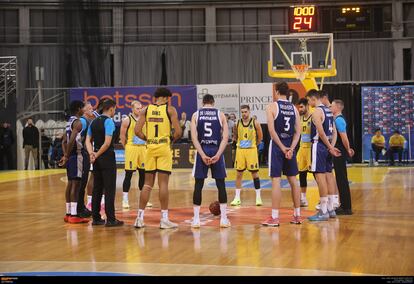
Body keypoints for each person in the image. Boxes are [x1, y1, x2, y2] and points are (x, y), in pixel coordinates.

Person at [134, 87, 182, 229]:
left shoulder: (145, 110)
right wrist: (171, 140)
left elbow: (137, 131)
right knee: (163, 184)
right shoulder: (170, 110)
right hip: (163, 147)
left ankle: (139, 218)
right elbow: (178, 132)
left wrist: (147, 139)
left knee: (147, 184)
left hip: (150, 148)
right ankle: (164, 219)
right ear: (166, 98)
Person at [262, 82, 302, 227]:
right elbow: (298, 132)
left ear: (277, 91)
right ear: (288, 93)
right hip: (290, 146)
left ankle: (274, 217)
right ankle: (297, 215)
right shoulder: (294, 108)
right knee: (293, 180)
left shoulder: (272, 106)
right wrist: (291, 148)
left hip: (278, 146)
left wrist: (283, 148)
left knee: (276, 181)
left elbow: (272, 132)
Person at [190, 94, 230, 228]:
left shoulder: (196, 115)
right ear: (213, 102)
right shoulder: (221, 114)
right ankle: (223, 219)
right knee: (221, 184)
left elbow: (194, 138)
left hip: (202, 149)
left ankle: (196, 220)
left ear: (203, 102)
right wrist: (218, 154)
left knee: (198, 185)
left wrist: (201, 154)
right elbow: (225, 138)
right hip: (216, 149)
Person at [86, 98, 124, 227]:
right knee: (109, 189)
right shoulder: (109, 122)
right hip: (106, 157)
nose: (115, 111)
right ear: (111, 108)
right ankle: (111, 219)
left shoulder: (94, 121)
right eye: (115, 109)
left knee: (97, 187)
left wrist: (92, 153)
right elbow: (107, 143)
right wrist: (97, 154)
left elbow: (87, 140)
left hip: (96, 158)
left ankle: (96, 218)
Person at [307, 91, 341, 222]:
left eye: (309, 100)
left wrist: (330, 147)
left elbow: (320, 133)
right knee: (329, 176)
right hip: (327, 146)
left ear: (313, 99)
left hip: (319, 146)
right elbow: (335, 132)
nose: (309, 103)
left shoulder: (316, 111)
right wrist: (331, 146)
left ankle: (323, 211)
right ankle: (331, 208)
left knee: (320, 178)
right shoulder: (328, 110)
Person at [59, 100, 89, 224]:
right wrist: (66, 155)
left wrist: (65, 154)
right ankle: (74, 215)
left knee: (70, 184)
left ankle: (68, 213)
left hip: (71, 156)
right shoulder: (77, 122)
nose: (84, 109)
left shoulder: (69, 122)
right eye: (83, 107)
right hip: (76, 155)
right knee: (76, 185)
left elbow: (63, 141)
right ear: (78, 109)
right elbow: (71, 140)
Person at [230, 105, 263, 206]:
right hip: (240, 151)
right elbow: (235, 135)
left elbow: (260, 136)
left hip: (251, 151)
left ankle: (258, 198)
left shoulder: (255, 122)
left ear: (249, 112)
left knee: (255, 174)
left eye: (245, 112)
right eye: (242, 112)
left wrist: (254, 145)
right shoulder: (237, 123)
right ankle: (237, 198)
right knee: (239, 174)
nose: (244, 114)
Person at [120, 100, 151, 209]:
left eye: (140, 108)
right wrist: (127, 147)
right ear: (132, 109)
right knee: (128, 174)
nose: (139, 110)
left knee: (143, 174)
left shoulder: (145, 120)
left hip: (143, 148)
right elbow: (122, 136)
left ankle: (144, 200)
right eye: (137, 108)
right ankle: (125, 199)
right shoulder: (127, 120)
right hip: (131, 148)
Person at [331, 99, 355, 215]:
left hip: (340, 152)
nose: (330, 108)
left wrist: (348, 149)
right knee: (340, 179)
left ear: (338, 108)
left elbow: (344, 137)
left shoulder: (339, 120)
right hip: (339, 151)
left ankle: (346, 208)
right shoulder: (336, 119)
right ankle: (344, 205)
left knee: (342, 179)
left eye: (332, 106)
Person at [296, 96, 313, 207]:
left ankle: (324, 199)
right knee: (302, 174)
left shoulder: (313, 117)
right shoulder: (299, 118)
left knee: (317, 174)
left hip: (311, 149)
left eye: (302, 107)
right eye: (299, 107)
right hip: (302, 149)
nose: (300, 109)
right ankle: (303, 198)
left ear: (307, 106)